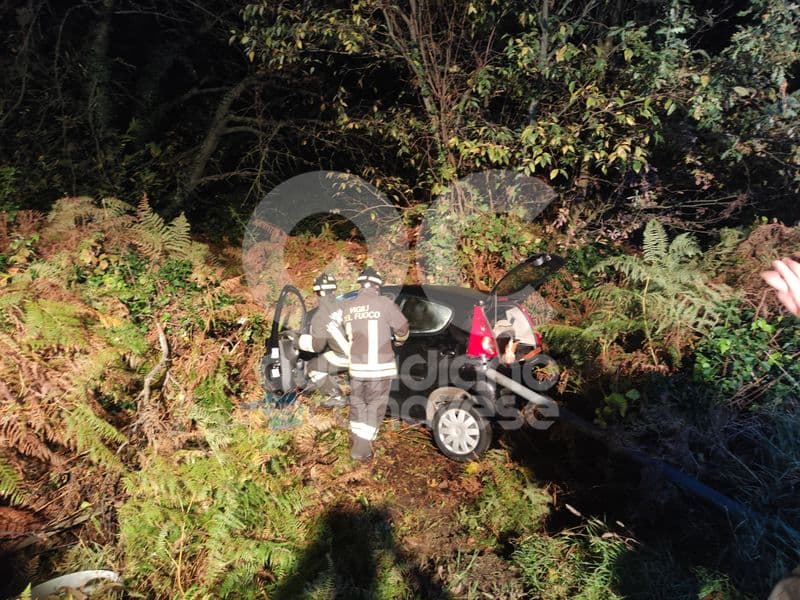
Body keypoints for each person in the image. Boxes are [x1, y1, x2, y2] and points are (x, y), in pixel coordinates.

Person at [337, 266, 409, 460]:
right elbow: (402, 327)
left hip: (357, 368)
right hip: (379, 367)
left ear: (360, 285)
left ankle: (358, 440)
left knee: (358, 402)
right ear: (378, 286)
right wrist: (400, 340)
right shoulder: (384, 303)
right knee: (376, 404)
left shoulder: (348, 308)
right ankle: (363, 447)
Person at [296, 273, 349, 408]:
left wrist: (297, 341)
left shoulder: (319, 316)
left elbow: (318, 346)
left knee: (314, 366)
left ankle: (336, 396)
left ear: (318, 292)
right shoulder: (346, 305)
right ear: (333, 289)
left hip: (346, 356)